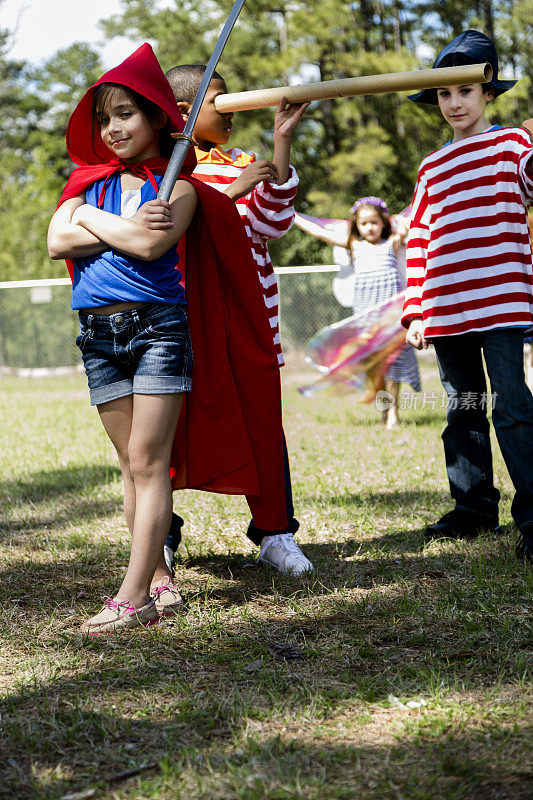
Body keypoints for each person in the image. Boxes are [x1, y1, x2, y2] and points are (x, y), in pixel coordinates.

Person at [48, 45, 293, 633]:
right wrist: (99, 221)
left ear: (159, 117)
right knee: (128, 467)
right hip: (97, 331)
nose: (114, 128)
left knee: (147, 461)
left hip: (157, 327)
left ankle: (132, 596)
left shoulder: (180, 187)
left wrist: (89, 223)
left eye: (127, 114)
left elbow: (151, 247)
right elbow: (57, 241)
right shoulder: (85, 184)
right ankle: (159, 581)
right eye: (104, 118)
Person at [162, 63, 314, 576]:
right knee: (166, 426)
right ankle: (160, 535)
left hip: (251, 316)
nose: (231, 109)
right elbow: (168, 232)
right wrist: (229, 191)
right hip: (182, 318)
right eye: (219, 101)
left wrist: (279, 146)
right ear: (185, 112)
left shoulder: (244, 160)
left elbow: (272, 223)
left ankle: (275, 532)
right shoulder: (163, 169)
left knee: (262, 421)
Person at [401, 30, 533, 562]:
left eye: (465, 92)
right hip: (447, 307)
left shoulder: (512, 146)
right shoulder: (431, 166)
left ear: (488, 95)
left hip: (501, 302)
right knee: (463, 408)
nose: (454, 103)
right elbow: (420, 236)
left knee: (514, 409)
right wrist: (415, 306)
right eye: (443, 93)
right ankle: (474, 507)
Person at [295, 197, 421, 428]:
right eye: (364, 223)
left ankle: (393, 413)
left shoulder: (393, 242)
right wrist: (294, 216)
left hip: (392, 317)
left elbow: (417, 222)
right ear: (356, 225)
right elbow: (320, 232)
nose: (369, 228)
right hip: (366, 316)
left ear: (384, 223)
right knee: (375, 365)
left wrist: (402, 225)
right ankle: (384, 410)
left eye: (374, 222)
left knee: (394, 361)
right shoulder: (354, 245)